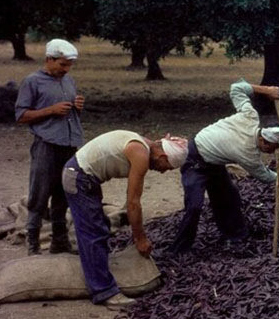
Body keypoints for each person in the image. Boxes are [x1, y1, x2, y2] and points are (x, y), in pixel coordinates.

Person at [168, 78, 279, 254]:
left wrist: (265, 91)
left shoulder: (250, 116)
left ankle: (236, 236)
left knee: (229, 196)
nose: (272, 152)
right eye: (272, 148)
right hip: (194, 159)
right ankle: (178, 250)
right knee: (194, 205)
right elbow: (266, 176)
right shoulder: (248, 154)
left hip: (214, 162)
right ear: (263, 140)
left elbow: (237, 89)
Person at [61, 130, 188, 308]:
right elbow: (133, 203)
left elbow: (131, 200)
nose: (163, 172)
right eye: (166, 167)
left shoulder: (145, 145)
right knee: (93, 233)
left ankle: (95, 267)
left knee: (99, 227)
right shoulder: (140, 154)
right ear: (163, 155)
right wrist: (140, 238)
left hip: (83, 176)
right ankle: (103, 292)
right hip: (79, 178)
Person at [15, 39, 84, 255]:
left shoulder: (69, 81)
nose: (66, 69)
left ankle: (60, 242)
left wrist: (78, 107)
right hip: (46, 145)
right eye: (62, 64)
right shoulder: (32, 82)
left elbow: (69, 114)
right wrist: (50, 110)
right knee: (39, 194)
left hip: (69, 144)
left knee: (64, 194)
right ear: (49, 59)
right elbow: (21, 115)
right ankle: (33, 244)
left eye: (69, 65)